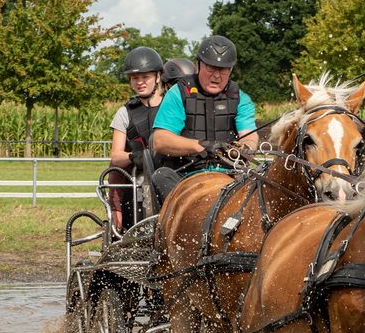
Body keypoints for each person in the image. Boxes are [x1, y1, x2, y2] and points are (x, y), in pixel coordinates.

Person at [151, 34, 258, 180]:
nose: (216, 76)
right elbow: (161, 141)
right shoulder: (177, 93)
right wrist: (201, 145)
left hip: (229, 174)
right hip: (184, 174)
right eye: (211, 68)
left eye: (223, 70)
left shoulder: (241, 98)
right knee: (160, 176)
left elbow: (250, 135)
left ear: (231, 70)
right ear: (198, 64)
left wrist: (245, 148)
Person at [108, 46, 163, 232]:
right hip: (139, 180)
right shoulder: (125, 113)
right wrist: (135, 156)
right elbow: (115, 157)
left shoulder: (172, 108)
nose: (140, 82)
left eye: (145, 77)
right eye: (134, 78)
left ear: (158, 76)